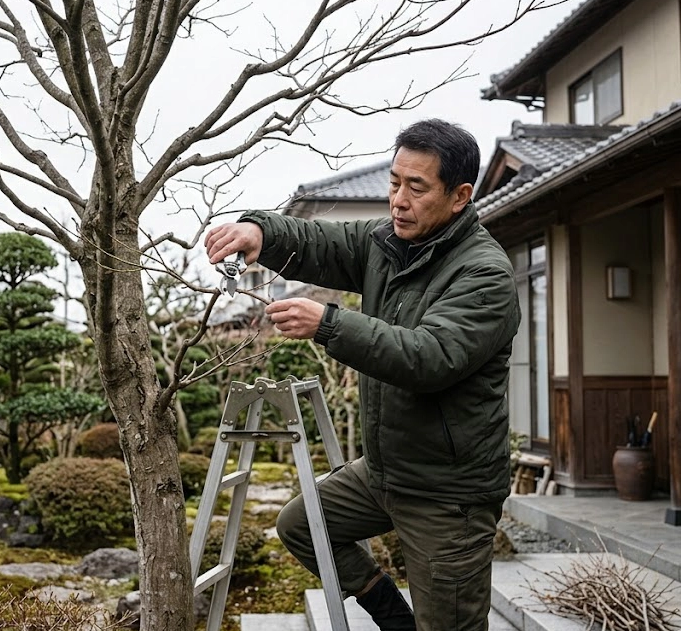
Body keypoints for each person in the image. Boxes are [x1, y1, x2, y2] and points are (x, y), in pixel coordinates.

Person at [204, 119, 521, 631]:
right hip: (386, 470)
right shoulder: (387, 243)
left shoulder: (483, 273)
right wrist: (259, 230)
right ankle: (395, 620)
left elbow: (429, 358)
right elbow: (319, 242)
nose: (398, 200)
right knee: (303, 525)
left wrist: (328, 323)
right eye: (394, 183)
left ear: (460, 196)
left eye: (416, 187)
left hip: (447, 492)